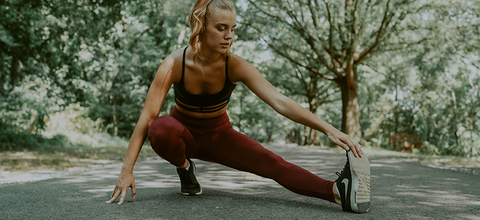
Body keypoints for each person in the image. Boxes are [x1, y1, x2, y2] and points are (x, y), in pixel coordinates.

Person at [106, 0, 370, 214]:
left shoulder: (234, 64)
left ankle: (339, 192)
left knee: (272, 163)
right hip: (181, 133)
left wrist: (328, 129)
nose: (229, 36)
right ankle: (185, 167)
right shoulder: (173, 64)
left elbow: (279, 101)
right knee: (161, 127)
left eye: (233, 28)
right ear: (200, 26)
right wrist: (126, 171)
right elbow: (146, 118)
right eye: (221, 28)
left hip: (220, 135)